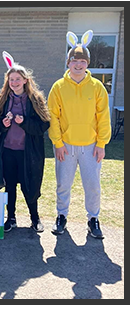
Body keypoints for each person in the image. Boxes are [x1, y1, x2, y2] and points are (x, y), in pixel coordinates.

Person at [47, 30, 111, 239]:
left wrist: (101, 144)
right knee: (63, 184)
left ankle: (93, 219)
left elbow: (103, 117)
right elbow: (53, 117)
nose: (78, 64)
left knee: (92, 186)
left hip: (90, 147)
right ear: (68, 62)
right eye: (74, 60)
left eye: (82, 61)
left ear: (87, 64)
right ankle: (61, 216)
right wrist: (58, 143)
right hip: (66, 145)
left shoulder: (97, 87)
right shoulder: (58, 87)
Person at [0, 51, 51, 233]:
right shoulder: (3, 99)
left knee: (29, 184)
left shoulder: (35, 99)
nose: (14, 83)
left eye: (18, 79)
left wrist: (23, 122)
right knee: (9, 186)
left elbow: (44, 125)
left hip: (28, 152)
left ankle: (35, 218)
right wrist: (4, 124)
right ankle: (11, 218)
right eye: (11, 80)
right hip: (8, 150)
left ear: (26, 80)